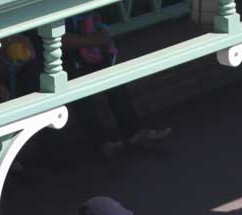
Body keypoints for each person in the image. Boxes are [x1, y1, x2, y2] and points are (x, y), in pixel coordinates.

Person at [62, 13, 171, 158]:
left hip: (90, 46)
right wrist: (92, 40)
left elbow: (100, 25)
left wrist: (98, 36)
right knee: (79, 93)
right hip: (65, 57)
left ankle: (134, 133)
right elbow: (62, 41)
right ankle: (102, 144)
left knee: (114, 79)